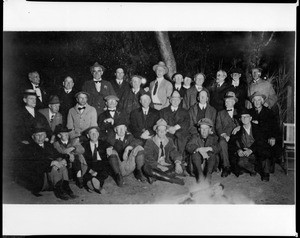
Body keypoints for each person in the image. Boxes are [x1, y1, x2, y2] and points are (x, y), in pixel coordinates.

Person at [20, 125, 76, 200]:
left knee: (61, 163)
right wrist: (52, 163)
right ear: (33, 137)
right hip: (40, 180)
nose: (40, 137)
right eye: (37, 135)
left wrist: (65, 158)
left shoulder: (48, 145)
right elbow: (34, 165)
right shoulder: (29, 148)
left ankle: (66, 187)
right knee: (54, 167)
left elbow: (58, 154)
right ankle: (59, 191)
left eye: (42, 134)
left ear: (46, 135)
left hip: (51, 179)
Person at [231, 108, 273, 181]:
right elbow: (232, 143)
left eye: (246, 117)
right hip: (246, 154)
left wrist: (251, 150)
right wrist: (238, 150)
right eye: (242, 117)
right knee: (240, 162)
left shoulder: (257, 128)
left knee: (265, 151)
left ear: (250, 118)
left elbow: (261, 141)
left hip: (257, 151)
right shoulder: (238, 130)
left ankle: (266, 173)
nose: (244, 119)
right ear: (240, 119)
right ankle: (253, 170)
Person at [141, 119, 185, 185]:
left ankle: (155, 177)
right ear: (156, 131)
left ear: (166, 131)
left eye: (164, 130)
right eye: (159, 130)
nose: (162, 132)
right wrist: (158, 166)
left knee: (181, 166)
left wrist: (177, 163)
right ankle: (172, 179)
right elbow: (148, 156)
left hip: (166, 164)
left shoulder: (169, 140)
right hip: (155, 165)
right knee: (146, 168)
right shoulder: (150, 141)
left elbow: (174, 152)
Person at [82, 126, 124, 194]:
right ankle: (92, 185)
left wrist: (110, 148)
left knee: (104, 171)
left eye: (95, 132)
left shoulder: (103, 143)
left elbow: (111, 146)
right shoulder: (84, 145)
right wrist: (90, 170)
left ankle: (96, 183)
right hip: (90, 164)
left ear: (98, 134)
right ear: (88, 135)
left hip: (101, 164)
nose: (94, 135)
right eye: (91, 133)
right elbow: (83, 160)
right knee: (87, 175)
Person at [248, 92, 281, 174]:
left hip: (266, 138)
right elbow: (241, 119)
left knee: (265, 148)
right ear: (252, 101)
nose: (257, 102)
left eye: (259, 100)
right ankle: (261, 166)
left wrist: (273, 137)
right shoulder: (249, 112)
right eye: (255, 100)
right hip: (253, 138)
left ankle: (266, 172)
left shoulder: (269, 112)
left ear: (262, 101)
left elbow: (275, 127)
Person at [106, 117, 145, 182]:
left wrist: (128, 148)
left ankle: (139, 172)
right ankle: (118, 177)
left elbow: (139, 142)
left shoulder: (129, 136)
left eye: (123, 128)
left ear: (126, 129)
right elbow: (103, 143)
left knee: (139, 148)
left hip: (128, 164)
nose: (121, 131)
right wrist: (108, 147)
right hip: (117, 166)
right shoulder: (110, 137)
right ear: (115, 129)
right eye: (119, 128)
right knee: (111, 152)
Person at [186, 118, 221, 183]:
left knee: (211, 153)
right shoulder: (195, 137)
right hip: (197, 166)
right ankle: (200, 177)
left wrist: (208, 148)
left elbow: (218, 147)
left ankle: (208, 177)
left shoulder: (213, 137)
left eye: (206, 128)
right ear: (199, 129)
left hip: (209, 165)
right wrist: (198, 149)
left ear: (210, 129)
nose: (204, 131)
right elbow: (188, 146)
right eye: (202, 128)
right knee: (195, 154)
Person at [53, 124, 87, 188]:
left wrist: (74, 148)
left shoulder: (73, 141)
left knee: (77, 157)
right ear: (59, 135)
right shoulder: (56, 144)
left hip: (76, 167)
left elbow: (82, 150)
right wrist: (69, 153)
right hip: (66, 166)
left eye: (67, 134)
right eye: (64, 134)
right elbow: (60, 152)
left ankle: (79, 178)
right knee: (67, 158)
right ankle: (73, 179)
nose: (67, 135)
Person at [160, 91, 190, 157]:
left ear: (180, 101)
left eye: (177, 100)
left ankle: (180, 160)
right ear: (170, 100)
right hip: (167, 133)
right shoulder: (163, 111)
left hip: (180, 136)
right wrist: (168, 128)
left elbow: (186, 123)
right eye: (173, 100)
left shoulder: (185, 112)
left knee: (182, 140)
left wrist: (175, 128)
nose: (175, 102)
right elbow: (160, 122)